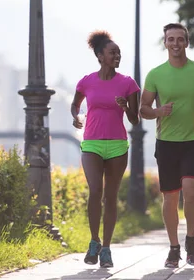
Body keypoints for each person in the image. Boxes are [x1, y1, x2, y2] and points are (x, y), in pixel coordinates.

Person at [140, 23, 194, 269]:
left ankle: (191, 240)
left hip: (192, 142)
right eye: (170, 39)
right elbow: (143, 109)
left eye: (180, 39)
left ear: (187, 42)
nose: (175, 43)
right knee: (170, 198)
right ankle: (174, 247)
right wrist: (157, 111)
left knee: (190, 193)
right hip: (166, 144)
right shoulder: (155, 74)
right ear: (165, 43)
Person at [70, 30, 140, 268]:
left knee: (110, 197)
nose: (117, 55)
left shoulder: (128, 84)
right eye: (112, 52)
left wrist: (125, 107)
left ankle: (107, 249)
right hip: (92, 143)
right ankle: (94, 241)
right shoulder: (87, 81)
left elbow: (135, 120)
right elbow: (75, 104)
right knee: (95, 192)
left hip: (118, 145)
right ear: (100, 56)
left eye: (118, 52)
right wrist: (76, 118)